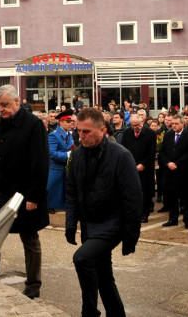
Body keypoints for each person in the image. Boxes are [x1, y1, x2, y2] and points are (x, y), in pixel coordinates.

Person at [0, 85, 49, 299]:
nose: (1, 109)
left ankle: (33, 283)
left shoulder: (33, 125)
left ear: (18, 101)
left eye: (5, 104)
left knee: (29, 237)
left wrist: (34, 196)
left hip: (25, 193)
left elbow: (40, 162)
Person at [65, 107, 141, 317]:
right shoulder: (78, 155)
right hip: (90, 224)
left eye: (86, 132)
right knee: (104, 276)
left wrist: (130, 237)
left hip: (112, 224)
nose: (81, 136)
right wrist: (71, 224)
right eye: (78, 131)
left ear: (102, 130)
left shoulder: (121, 156)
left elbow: (133, 199)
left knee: (82, 258)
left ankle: (89, 311)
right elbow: (71, 191)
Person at [158, 115, 188, 228]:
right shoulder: (168, 135)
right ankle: (173, 218)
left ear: (183, 124)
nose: (173, 125)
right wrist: (168, 163)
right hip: (169, 172)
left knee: (186, 199)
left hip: (184, 172)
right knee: (171, 197)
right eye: (172, 123)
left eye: (176, 124)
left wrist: (177, 163)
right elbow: (162, 152)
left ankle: (187, 220)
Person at [119, 114, 157, 223]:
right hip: (130, 168)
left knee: (145, 192)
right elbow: (123, 150)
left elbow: (152, 152)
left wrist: (143, 164)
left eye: (137, 125)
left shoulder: (150, 133)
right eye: (133, 125)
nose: (135, 127)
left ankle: (145, 214)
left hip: (145, 169)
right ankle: (133, 213)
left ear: (142, 122)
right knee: (131, 192)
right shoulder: (126, 133)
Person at [47, 109, 75, 213]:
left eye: (71, 121)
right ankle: (50, 206)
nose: (70, 123)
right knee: (54, 188)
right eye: (67, 121)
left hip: (66, 167)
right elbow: (51, 153)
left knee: (64, 189)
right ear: (61, 122)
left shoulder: (69, 134)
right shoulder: (54, 135)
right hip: (56, 168)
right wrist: (67, 155)